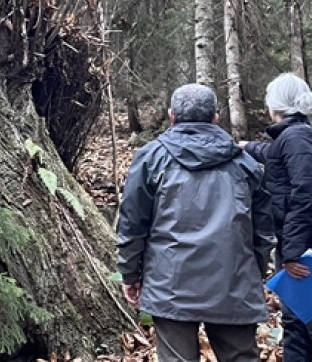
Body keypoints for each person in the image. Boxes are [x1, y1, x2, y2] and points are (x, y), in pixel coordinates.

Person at [117, 83, 273, 362]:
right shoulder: (245, 163)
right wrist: (255, 271)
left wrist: (130, 274)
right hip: (233, 281)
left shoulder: (151, 158)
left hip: (170, 283)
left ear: (171, 115)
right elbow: (263, 230)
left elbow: (132, 225)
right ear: (216, 116)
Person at [244, 73, 312, 362]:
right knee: (295, 323)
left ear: (276, 103)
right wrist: (247, 148)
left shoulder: (296, 139)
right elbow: (275, 155)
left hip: (308, 245)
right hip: (298, 242)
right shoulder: (293, 137)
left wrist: (292, 252)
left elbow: (304, 196)